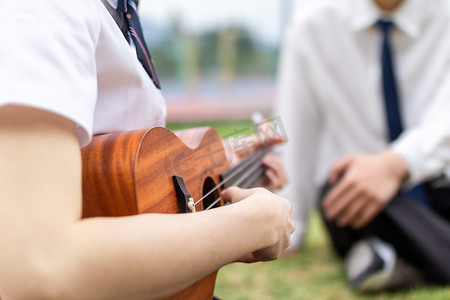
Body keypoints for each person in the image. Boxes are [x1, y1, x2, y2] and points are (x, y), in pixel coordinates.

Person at [0, 0, 294, 299]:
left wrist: (216, 162)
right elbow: (37, 269)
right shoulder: (45, 10)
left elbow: (116, 179)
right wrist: (253, 224)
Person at [277, 0, 450, 291]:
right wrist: (289, 226)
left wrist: (397, 163)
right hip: (366, 201)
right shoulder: (313, 21)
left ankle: (394, 263)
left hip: (440, 183)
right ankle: (404, 259)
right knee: (338, 190)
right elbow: (296, 123)